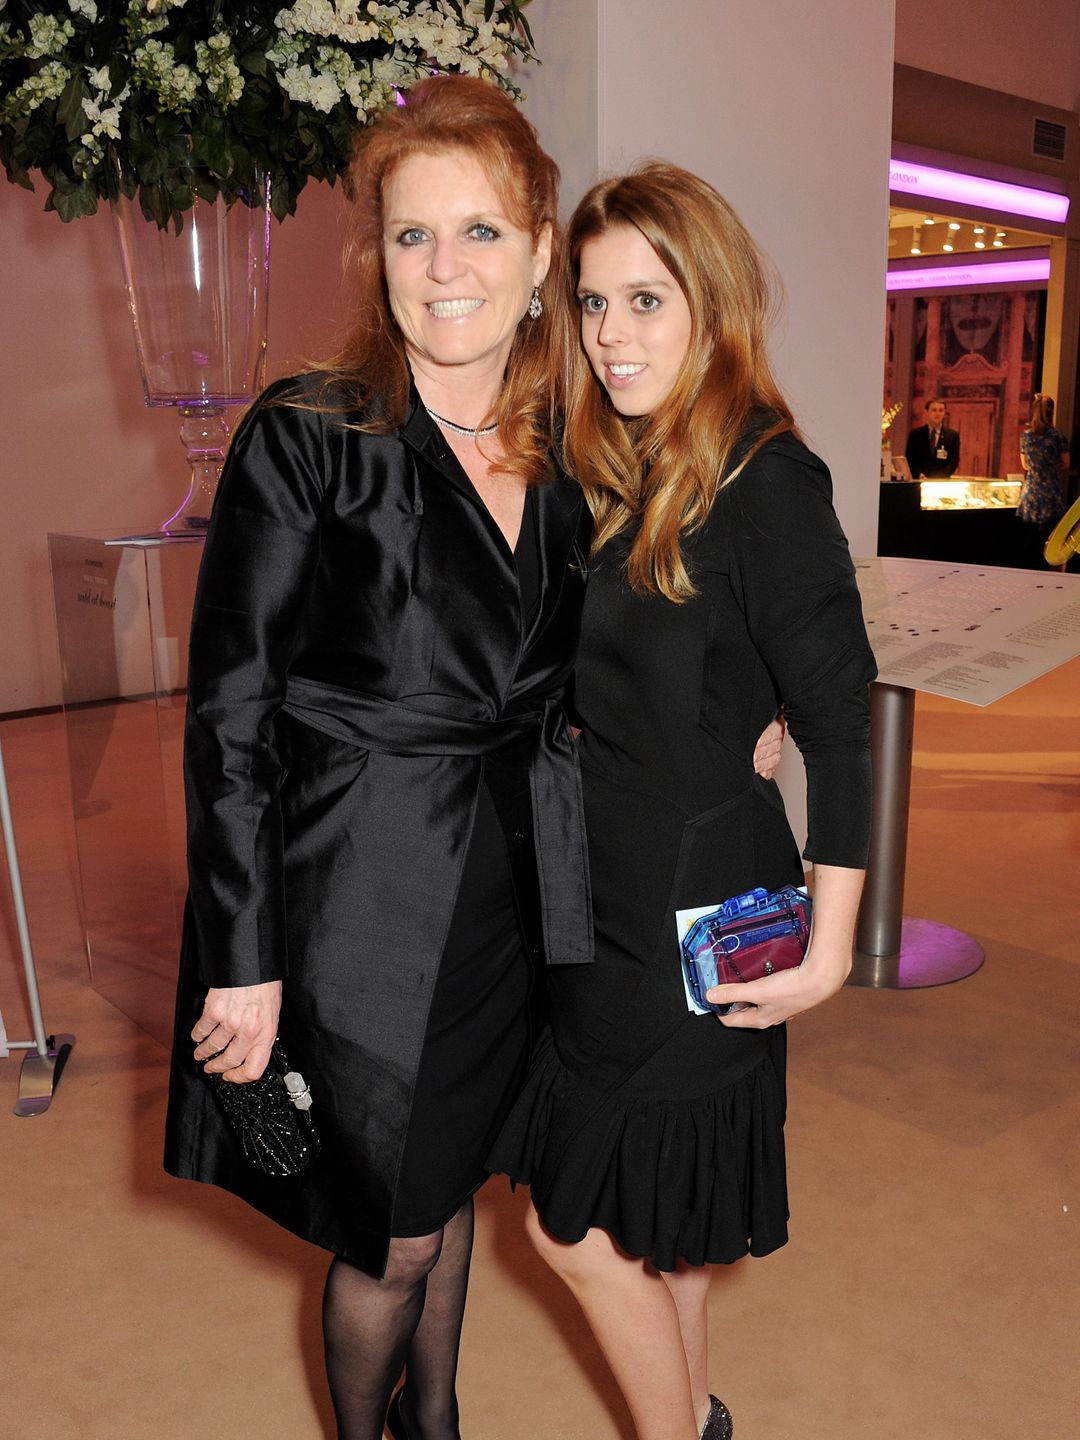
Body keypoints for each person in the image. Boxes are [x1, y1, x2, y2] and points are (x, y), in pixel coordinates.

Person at [162, 75, 591, 1440]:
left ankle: (439, 1422)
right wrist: (244, 951)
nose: (445, 268)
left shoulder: (573, 450)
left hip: (514, 888)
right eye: (413, 237)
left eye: (479, 232)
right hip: (354, 899)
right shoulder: (311, 436)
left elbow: (612, 658)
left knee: (448, 1183)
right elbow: (229, 712)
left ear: (537, 253)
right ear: (379, 260)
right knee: (389, 1234)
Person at [489, 163, 877, 1440]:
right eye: (593, 305)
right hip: (603, 893)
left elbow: (841, 721)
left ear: (711, 305)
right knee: (660, 1228)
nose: (610, 338)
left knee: (572, 1225)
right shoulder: (630, 466)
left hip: (696, 920)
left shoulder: (770, 481)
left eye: (645, 302)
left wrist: (832, 953)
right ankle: (695, 1418)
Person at [1018, 392, 1070, 567]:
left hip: (1031, 491)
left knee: (1028, 537)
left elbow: (1025, 465)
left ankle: (1028, 568)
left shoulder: (1026, 436)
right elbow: (1066, 462)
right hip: (1050, 490)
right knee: (1048, 536)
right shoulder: (1057, 436)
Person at [905, 395, 960, 478]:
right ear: (927, 412)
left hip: (941, 483)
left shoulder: (952, 436)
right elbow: (910, 459)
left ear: (944, 413)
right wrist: (918, 474)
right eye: (934, 410)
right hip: (919, 481)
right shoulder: (915, 435)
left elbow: (953, 462)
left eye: (941, 410)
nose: (937, 414)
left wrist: (939, 478)